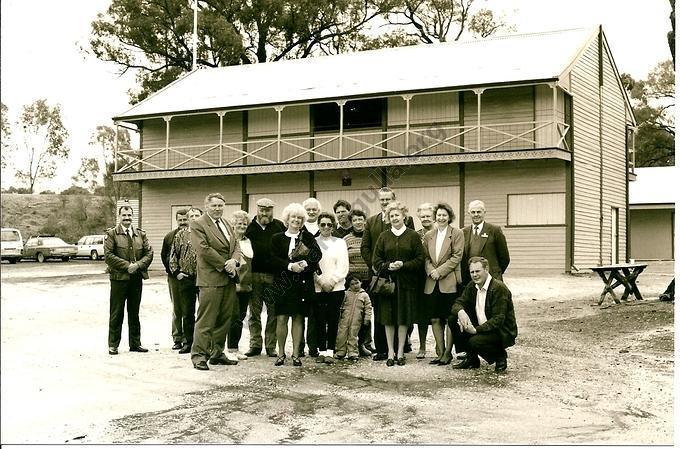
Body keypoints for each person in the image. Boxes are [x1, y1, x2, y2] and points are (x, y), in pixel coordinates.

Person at [361, 187, 415, 361]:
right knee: (382, 312)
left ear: (394, 199)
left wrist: (402, 265)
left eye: (387, 199)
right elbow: (366, 247)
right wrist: (377, 267)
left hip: (402, 275)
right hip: (380, 276)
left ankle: (403, 345)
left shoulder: (409, 220)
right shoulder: (371, 221)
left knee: (402, 312)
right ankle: (383, 349)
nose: (384, 202)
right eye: (382, 199)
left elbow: (412, 246)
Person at [189, 193, 242, 371]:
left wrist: (234, 261)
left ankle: (217, 353)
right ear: (206, 206)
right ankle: (199, 355)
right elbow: (203, 249)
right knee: (206, 319)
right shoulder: (198, 224)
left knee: (224, 318)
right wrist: (224, 265)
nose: (218, 209)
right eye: (214, 206)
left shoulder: (226, 223)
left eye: (221, 205)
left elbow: (236, 245)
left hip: (228, 278)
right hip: (211, 278)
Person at [270, 203, 322, 367]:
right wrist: (289, 266)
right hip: (282, 283)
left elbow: (317, 255)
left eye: (300, 218)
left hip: (301, 284)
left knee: (298, 318)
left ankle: (296, 355)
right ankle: (280, 354)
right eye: (294, 217)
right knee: (281, 318)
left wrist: (305, 263)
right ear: (287, 218)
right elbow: (272, 259)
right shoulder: (277, 238)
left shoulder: (307, 237)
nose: (297, 220)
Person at [372, 201, 424, 366]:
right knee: (388, 319)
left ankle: (400, 351)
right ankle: (390, 352)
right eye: (391, 215)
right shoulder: (383, 236)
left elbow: (420, 259)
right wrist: (388, 266)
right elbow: (376, 260)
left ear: (404, 216)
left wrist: (404, 265)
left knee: (402, 319)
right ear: (388, 218)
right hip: (388, 284)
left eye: (397, 215)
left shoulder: (413, 236)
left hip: (406, 283)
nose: (394, 218)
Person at [451, 256, 517, 373]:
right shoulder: (472, 286)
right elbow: (458, 303)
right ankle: (472, 359)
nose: (475, 275)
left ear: (486, 270)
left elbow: (498, 320)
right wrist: (461, 312)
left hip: (500, 331)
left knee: (475, 341)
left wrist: (476, 330)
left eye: (478, 271)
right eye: (472, 272)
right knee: (453, 319)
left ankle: (500, 357)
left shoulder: (498, 288)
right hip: (482, 325)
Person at [104, 205, 154, 355]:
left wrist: (138, 265)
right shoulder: (112, 234)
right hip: (119, 279)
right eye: (124, 215)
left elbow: (149, 253)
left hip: (136, 279)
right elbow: (108, 256)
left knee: (134, 312)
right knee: (116, 312)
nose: (127, 218)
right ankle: (113, 344)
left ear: (133, 216)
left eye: (129, 215)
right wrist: (127, 266)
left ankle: (135, 343)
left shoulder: (140, 234)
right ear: (119, 217)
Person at [244, 198, 286, 358]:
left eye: (268, 210)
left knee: (273, 311)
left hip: (273, 276)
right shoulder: (249, 226)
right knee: (254, 311)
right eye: (262, 209)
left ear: (272, 210)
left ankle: (270, 346)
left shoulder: (279, 226)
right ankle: (255, 345)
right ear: (257, 209)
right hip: (253, 274)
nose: (264, 213)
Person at [422, 202, 464, 365]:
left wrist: (440, 271)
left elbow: (457, 256)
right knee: (434, 318)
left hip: (448, 282)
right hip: (431, 281)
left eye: (444, 215)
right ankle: (439, 351)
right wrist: (431, 270)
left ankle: (448, 353)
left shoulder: (457, 233)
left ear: (449, 217)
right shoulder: (429, 235)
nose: (441, 218)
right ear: (435, 217)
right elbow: (425, 257)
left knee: (448, 318)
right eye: (438, 215)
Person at [312, 212, 349, 364]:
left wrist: (332, 281)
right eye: (323, 224)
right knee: (319, 319)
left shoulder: (340, 242)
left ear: (333, 226)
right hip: (318, 287)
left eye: (329, 224)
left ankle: (330, 351)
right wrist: (320, 281)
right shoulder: (312, 242)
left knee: (333, 320)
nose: (326, 227)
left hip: (336, 287)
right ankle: (321, 350)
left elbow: (343, 265)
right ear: (318, 226)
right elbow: (310, 265)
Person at [169, 207, 203, 354]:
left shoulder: (207, 234)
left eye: (197, 215)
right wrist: (177, 273)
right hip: (186, 278)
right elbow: (173, 256)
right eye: (192, 216)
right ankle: (188, 342)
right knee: (187, 313)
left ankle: (203, 343)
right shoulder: (180, 235)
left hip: (204, 278)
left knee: (204, 312)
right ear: (188, 219)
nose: (194, 218)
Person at [343, 208, 375, 355]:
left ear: (365, 220)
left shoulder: (371, 236)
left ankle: (366, 343)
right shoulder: (346, 239)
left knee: (368, 313)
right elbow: (344, 260)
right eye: (355, 220)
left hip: (369, 280)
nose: (358, 222)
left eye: (360, 219)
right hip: (353, 283)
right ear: (351, 222)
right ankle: (354, 345)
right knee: (355, 315)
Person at [461, 200, 510, 285]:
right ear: (469, 213)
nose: (476, 214)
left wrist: (495, 272)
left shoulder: (494, 230)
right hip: (470, 279)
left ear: (484, 212)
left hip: (491, 277)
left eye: (479, 212)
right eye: (473, 212)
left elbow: (504, 257)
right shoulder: (463, 232)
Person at [227, 210, 253, 360]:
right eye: (239, 223)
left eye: (244, 223)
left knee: (241, 317)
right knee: (233, 316)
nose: (242, 226)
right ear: (233, 225)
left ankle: (235, 348)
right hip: (233, 284)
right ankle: (230, 349)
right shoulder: (229, 241)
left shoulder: (248, 241)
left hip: (247, 285)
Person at [162, 209, 188, 350]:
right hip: (175, 278)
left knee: (190, 309)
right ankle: (177, 337)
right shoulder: (170, 237)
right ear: (176, 220)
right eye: (180, 220)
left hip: (191, 278)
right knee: (177, 308)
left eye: (185, 219)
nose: (183, 222)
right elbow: (164, 256)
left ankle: (189, 338)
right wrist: (175, 272)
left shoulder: (194, 235)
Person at [335, 274, 373, 361]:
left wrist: (367, 318)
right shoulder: (346, 294)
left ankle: (353, 352)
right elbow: (341, 306)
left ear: (361, 282)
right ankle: (340, 351)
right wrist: (339, 316)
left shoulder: (364, 295)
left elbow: (368, 307)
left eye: (357, 283)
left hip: (357, 320)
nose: (355, 286)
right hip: (344, 319)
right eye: (352, 284)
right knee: (341, 335)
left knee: (353, 336)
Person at [415, 202, 436, 359]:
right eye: (423, 216)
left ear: (434, 217)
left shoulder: (440, 233)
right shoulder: (416, 235)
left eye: (428, 216)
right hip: (420, 279)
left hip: (438, 277)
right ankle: (422, 346)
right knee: (422, 315)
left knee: (438, 314)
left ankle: (439, 346)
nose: (426, 219)